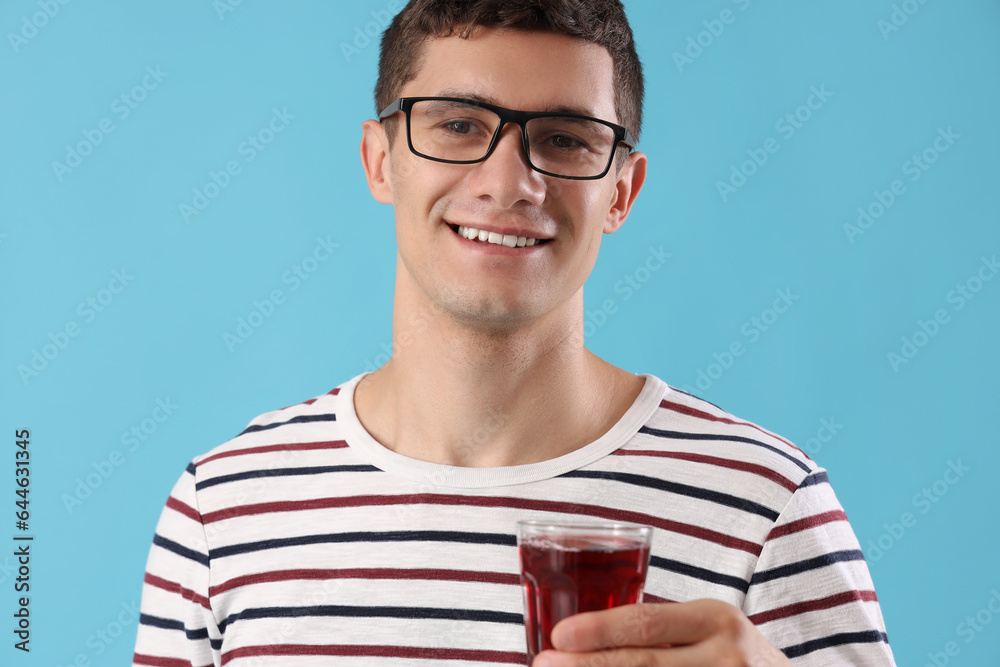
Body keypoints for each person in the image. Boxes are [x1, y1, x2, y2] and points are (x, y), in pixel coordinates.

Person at [132, 1, 896, 665]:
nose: (509, 182)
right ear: (380, 161)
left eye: (565, 139)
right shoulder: (222, 506)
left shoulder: (767, 504)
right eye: (459, 125)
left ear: (621, 191)